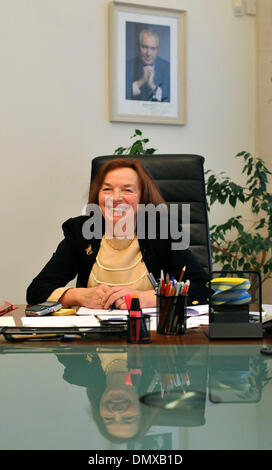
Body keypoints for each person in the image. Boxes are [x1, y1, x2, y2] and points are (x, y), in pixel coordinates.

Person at [26, 158, 209, 309]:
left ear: (143, 197)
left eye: (127, 190)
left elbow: (202, 288)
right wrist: (79, 296)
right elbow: (36, 291)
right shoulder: (81, 232)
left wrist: (148, 298)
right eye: (107, 189)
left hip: (147, 342)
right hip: (90, 342)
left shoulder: (162, 231)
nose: (115, 198)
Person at [126, 29, 170, 102]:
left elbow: (170, 102)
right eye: (144, 47)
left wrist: (153, 86)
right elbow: (121, 98)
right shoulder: (126, 66)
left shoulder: (168, 68)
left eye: (153, 48)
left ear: (158, 50)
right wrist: (141, 81)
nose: (148, 53)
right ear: (138, 47)